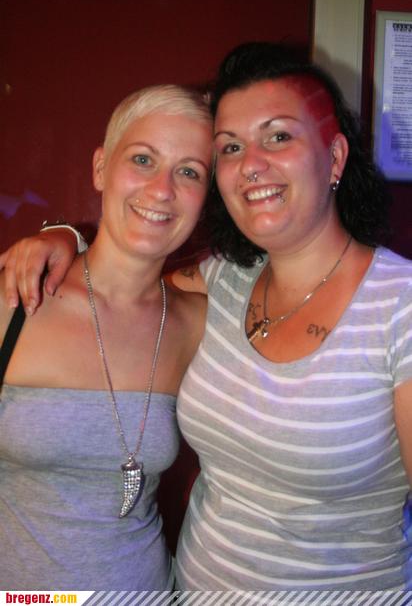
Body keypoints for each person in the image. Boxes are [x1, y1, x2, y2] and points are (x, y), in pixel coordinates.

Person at [1, 43, 412, 590]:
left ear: (334, 158)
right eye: (232, 147)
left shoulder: (397, 306)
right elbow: (120, 283)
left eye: (279, 136)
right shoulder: (223, 283)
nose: (252, 164)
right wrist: (64, 235)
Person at [0, 84, 213, 590]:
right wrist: (63, 233)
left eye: (189, 172)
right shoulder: (15, 299)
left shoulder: (197, 322)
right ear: (100, 168)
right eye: (143, 159)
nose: (162, 189)